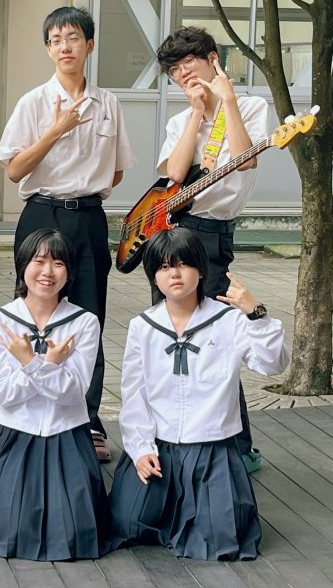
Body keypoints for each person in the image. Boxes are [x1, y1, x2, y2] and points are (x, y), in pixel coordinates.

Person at [0, 6, 135, 462]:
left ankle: (86, 419)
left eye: (72, 37)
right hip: (41, 213)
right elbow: (14, 169)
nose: (64, 47)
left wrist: (83, 187)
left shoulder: (108, 104)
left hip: (89, 217)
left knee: (88, 316)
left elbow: (116, 171)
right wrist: (56, 130)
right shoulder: (33, 102)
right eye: (55, 40)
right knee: (32, 311)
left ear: (89, 44)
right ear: (47, 49)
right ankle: (24, 408)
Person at [108, 228, 287, 560]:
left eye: (182, 264)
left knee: (221, 538)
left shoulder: (228, 320)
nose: (174, 274)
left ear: (201, 270)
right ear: (154, 277)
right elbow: (134, 393)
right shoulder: (143, 326)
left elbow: (272, 365)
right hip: (160, 447)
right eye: (164, 267)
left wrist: (256, 314)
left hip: (212, 448)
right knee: (128, 523)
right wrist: (140, 449)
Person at [155, 26, 270, 473]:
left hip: (214, 233)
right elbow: (174, 175)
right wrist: (195, 115)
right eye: (175, 70)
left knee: (216, 337)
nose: (183, 73)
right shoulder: (178, 121)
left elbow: (246, 158)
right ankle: (173, 434)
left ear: (212, 59)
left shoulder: (251, 106)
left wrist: (228, 103)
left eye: (190, 62)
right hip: (175, 232)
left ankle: (236, 445)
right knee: (172, 333)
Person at [0, 228, 111, 560]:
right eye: (39, 261)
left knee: (73, 532)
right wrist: (48, 364)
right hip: (15, 434)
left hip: (67, 433)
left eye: (58, 263)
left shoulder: (84, 322)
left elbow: (74, 393)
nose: (47, 272)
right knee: (13, 530)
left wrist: (30, 363)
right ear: (22, 265)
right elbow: (4, 394)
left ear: (69, 272)